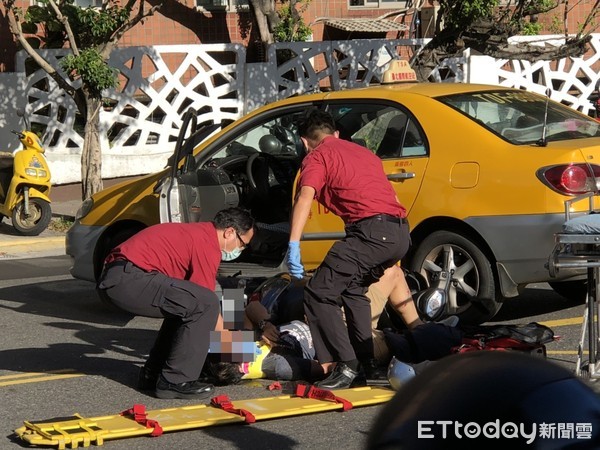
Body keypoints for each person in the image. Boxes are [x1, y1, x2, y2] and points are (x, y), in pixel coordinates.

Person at [287, 109, 411, 389]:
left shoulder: (317, 155)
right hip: (399, 232)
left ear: (305, 142)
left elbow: (305, 197)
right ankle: (367, 364)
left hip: (370, 233)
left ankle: (346, 366)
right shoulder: (364, 153)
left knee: (319, 291)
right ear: (337, 134)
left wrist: (293, 243)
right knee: (353, 289)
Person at [97, 207, 255, 400]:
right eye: (243, 244)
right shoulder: (207, 243)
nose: (241, 250)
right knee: (205, 304)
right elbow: (208, 305)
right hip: (127, 279)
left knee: (185, 305)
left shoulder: (198, 233)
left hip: (120, 277)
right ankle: (176, 381)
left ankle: (153, 374)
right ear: (230, 232)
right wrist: (234, 350)